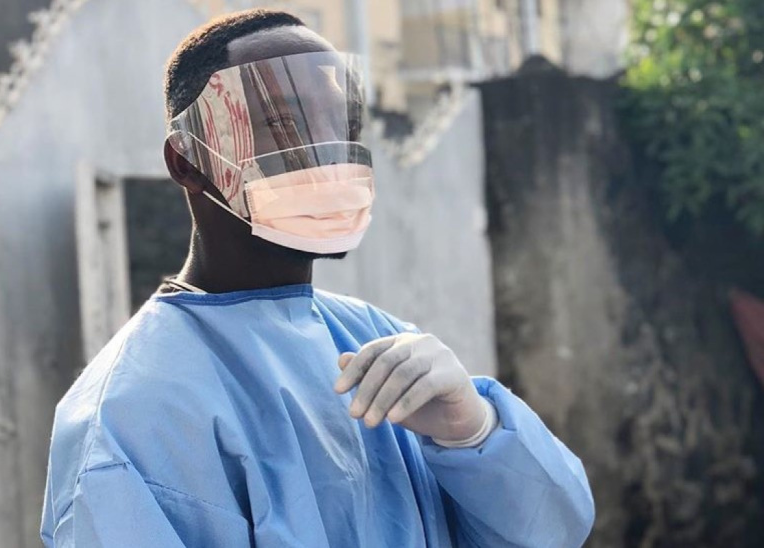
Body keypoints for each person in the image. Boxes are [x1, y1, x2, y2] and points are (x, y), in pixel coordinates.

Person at [41, 9, 594, 547]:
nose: (321, 150)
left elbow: (554, 530)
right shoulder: (129, 415)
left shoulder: (370, 337)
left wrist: (473, 432)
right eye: (283, 122)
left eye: (336, 119)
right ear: (186, 162)